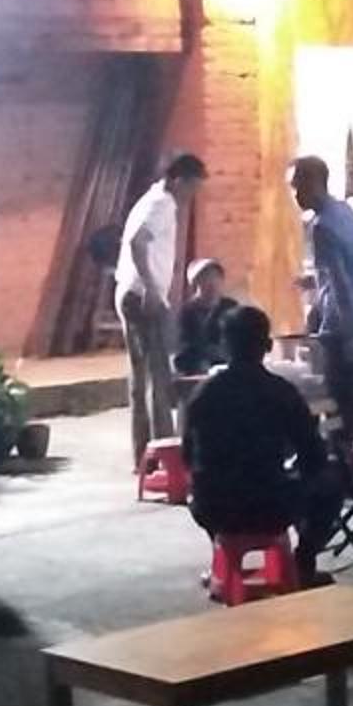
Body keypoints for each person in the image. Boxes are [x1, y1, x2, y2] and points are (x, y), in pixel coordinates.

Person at [181, 302, 344, 581]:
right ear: (268, 346)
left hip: (213, 507)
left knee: (206, 482)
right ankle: (303, 562)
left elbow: (187, 455)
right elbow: (313, 456)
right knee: (332, 483)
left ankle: (225, 563)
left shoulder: (203, 394)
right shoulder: (282, 392)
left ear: (224, 346)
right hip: (270, 507)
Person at [115, 154, 207, 475]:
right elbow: (138, 242)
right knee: (158, 378)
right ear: (179, 180)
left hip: (129, 292)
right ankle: (165, 457)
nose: (191, 196)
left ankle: (145, 456)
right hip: (143, 297)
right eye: (192, 187)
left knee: (141, 378)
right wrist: (153, 289)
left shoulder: (149, 200)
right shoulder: (162, 203)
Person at [290, 153, 353, 438]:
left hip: (344, 330)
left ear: (315, 183)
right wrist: (314, 281)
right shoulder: (346, 212)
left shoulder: (321, 227)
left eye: (298, 186)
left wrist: (347, 337)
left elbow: (341, 283)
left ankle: (346, 460)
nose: (295, 195)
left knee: (343, 412)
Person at [173, 258, 236, 377]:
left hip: (226, 364)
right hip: (197, 364)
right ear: (195, 283)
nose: (212, 282)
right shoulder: (187, 312)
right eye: (206, 277)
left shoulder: (231, 307)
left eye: (216, 277)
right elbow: (183, 345)